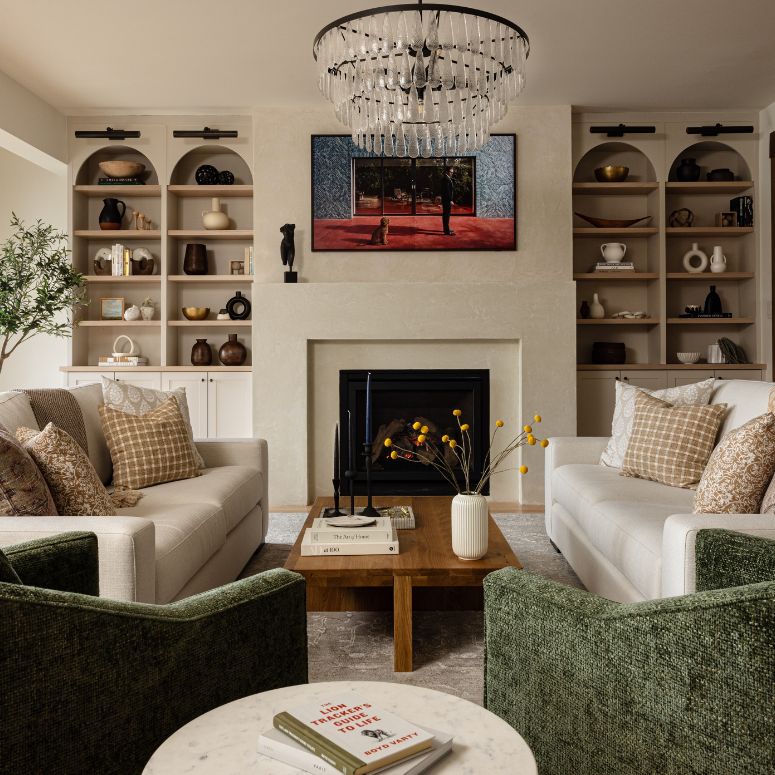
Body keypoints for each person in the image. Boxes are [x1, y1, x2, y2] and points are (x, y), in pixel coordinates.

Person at [440, 166, 455, 236]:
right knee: (446, 215)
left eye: (452, 172)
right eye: (450, 172)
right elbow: (447, 191)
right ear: (447, 172)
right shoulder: (445, 179)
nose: (451, 173)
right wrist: (450, 200)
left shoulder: (448, 178)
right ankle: (446, 231)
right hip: (447, 200)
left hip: (446, 200)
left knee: (447, 215)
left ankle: (446, 229)